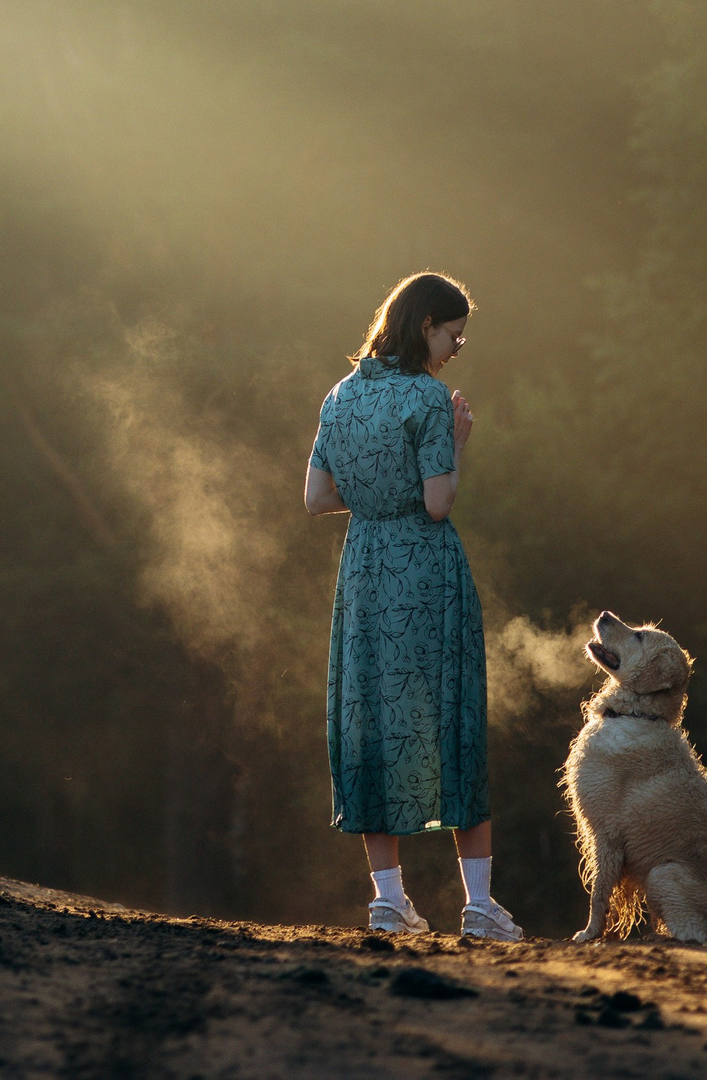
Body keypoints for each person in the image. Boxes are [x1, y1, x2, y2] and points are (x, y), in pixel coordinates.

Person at [303, 271, 521, 940]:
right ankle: (478, 906)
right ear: (426, 324)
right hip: (424, 571)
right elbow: (437, 502)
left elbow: (316, 498)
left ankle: (389, 900)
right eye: (454, 334)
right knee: (452, 714)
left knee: (372, 715)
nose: (456, 347)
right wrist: (456, 443)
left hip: (365, 571)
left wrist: (376, 496)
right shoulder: (428, 398)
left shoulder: (340, 395)